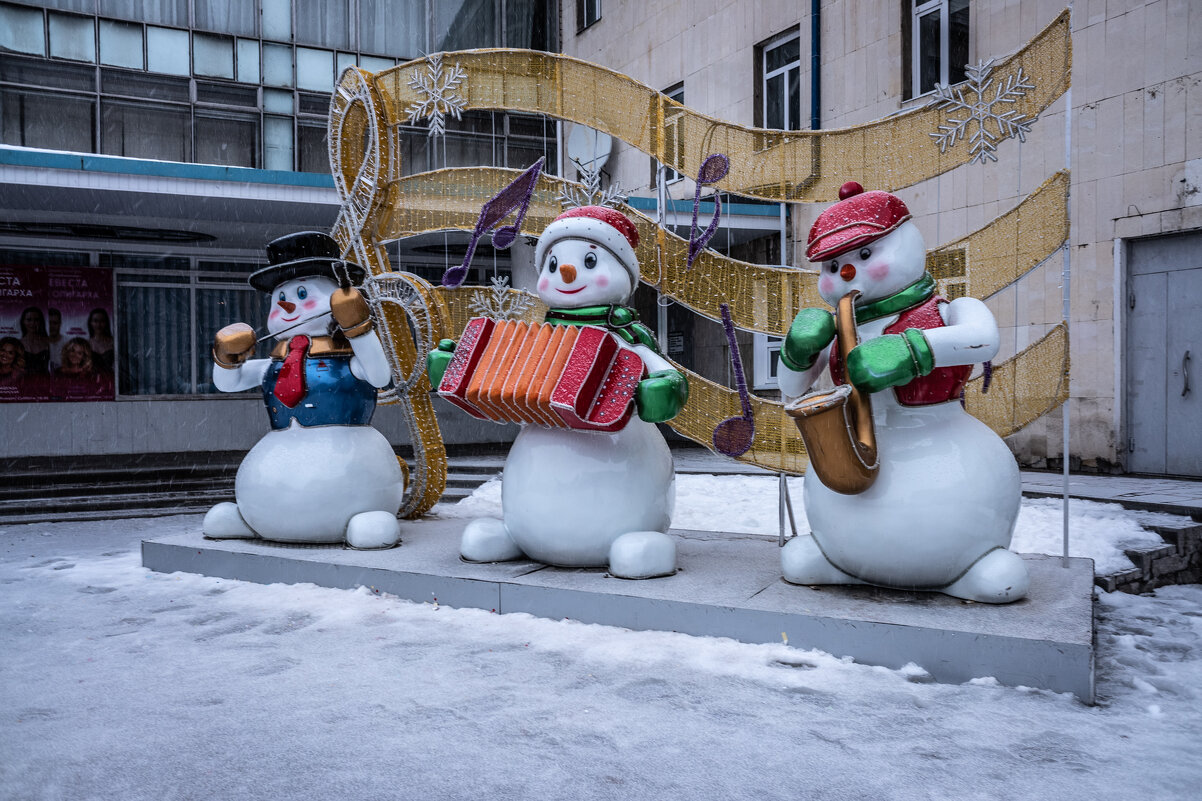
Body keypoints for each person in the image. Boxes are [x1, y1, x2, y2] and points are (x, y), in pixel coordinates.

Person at [19, 306, 50, 375]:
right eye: (29, 320)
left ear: (41, 322)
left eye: (36, 320)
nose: (33, 323)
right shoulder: (17, 344)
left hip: (45, 381)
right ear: (23, 322)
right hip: (24, 382)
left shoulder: (49, 342)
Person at [87, 308, 115, 373]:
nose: (98, 325)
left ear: (106, 323)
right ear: (90, 323)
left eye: (102, 321)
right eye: (95, 321)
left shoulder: (114, 343)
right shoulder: (87, 344)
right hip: (92, 380)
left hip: (110, 379)